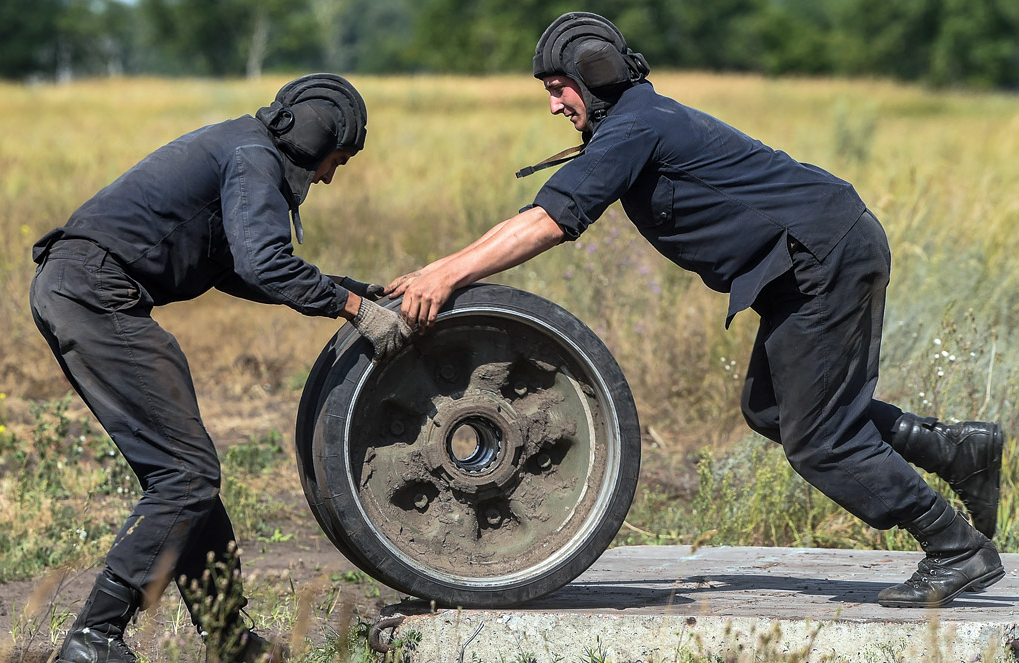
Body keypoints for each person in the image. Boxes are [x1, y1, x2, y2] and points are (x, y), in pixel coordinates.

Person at [387, 12, 1004, 608]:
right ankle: (954, 452)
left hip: (824, 257)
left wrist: (443, 274)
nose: (554, 105)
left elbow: (550, 221)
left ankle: (953, 547)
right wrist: (441, 270)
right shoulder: (633, 120)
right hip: (811, 258)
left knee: (818, 439)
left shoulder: (634, 125)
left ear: (595, 76)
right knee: (773, 410)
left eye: (558, 89)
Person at [30, 73, 409, 663]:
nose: (329, 178)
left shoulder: (243, 147)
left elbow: (244, 268)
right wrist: (355, 312)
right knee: (187, 474)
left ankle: (228, 642)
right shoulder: (255, 156)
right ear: (313, 137)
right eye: (335, 162)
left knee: (185, 471)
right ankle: (94, 636)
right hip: (97, 294)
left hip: (82, 288)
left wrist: (357, 292)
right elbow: (264, 261)